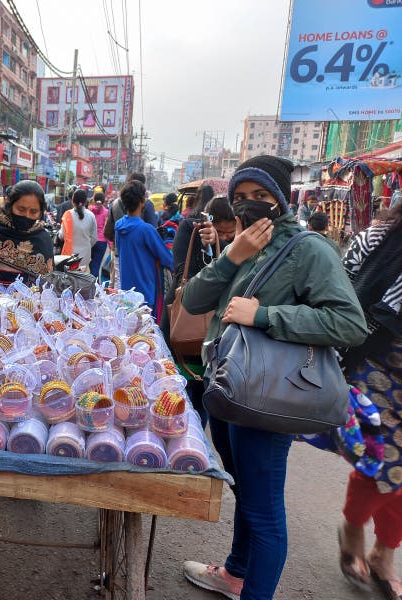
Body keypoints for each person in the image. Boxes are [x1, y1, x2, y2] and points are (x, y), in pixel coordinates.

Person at [181, 155, 367, 600]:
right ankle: (235, 572)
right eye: (241, 197)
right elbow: (193, 299)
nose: (250, 205)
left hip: (268, 398)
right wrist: (232, 256)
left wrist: (265, 315)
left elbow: (349, 323)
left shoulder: (309, 250)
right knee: (245, 491)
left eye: (261, 197)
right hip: (228, 387)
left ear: (280, 200)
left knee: (263, 512)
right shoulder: (242, 244)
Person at [336, 204, 402, 599]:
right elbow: (341, 289)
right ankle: (353, 529)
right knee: (380, 465)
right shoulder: (378, 237)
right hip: (378, 373)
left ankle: (385, 552)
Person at [166, 196, 237, 426]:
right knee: (180, 394)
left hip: (216, 331)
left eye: (230, 234)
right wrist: (206, 246)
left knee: (203, 397)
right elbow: (179, 272)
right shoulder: (190, 229)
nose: (227, 237)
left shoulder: (238, 243)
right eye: (221, 232)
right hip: (184, 325)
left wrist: (222, 245)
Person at [115, 180, 173, 317]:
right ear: (143, 201)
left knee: (129, 333)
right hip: (145, 293)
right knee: (145, 335)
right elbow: (168, 259)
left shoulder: (119, 226)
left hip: (126, 292)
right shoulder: (146, 230)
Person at [104, 173, 157, 288]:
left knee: (119, 289)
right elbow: (154, 232)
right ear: (143, 187)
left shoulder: (114, 204)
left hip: (119, 255)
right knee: (138, 293)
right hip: (141, 257)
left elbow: (107, 232)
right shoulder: (147, 204)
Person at [59, 188, 97, 271]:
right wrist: (86, 245)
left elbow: (62, 236)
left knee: (69, 279)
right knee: (82, 278)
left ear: (72, 201)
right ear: (85, 201)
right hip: (85, 255)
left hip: (69, 255)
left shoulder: (67, 215)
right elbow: (94, 238)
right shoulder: (91, 216)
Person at [89, 189, 110, 278]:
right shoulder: (106, 212)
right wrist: (110, 243)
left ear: (94, 200)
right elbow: (107, 228)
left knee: (89, 264)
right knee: (96, 265)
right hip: (102, 241)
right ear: (103, 200)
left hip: (90, 240)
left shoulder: (89, 211)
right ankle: (95, 286)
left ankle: (88, 284)